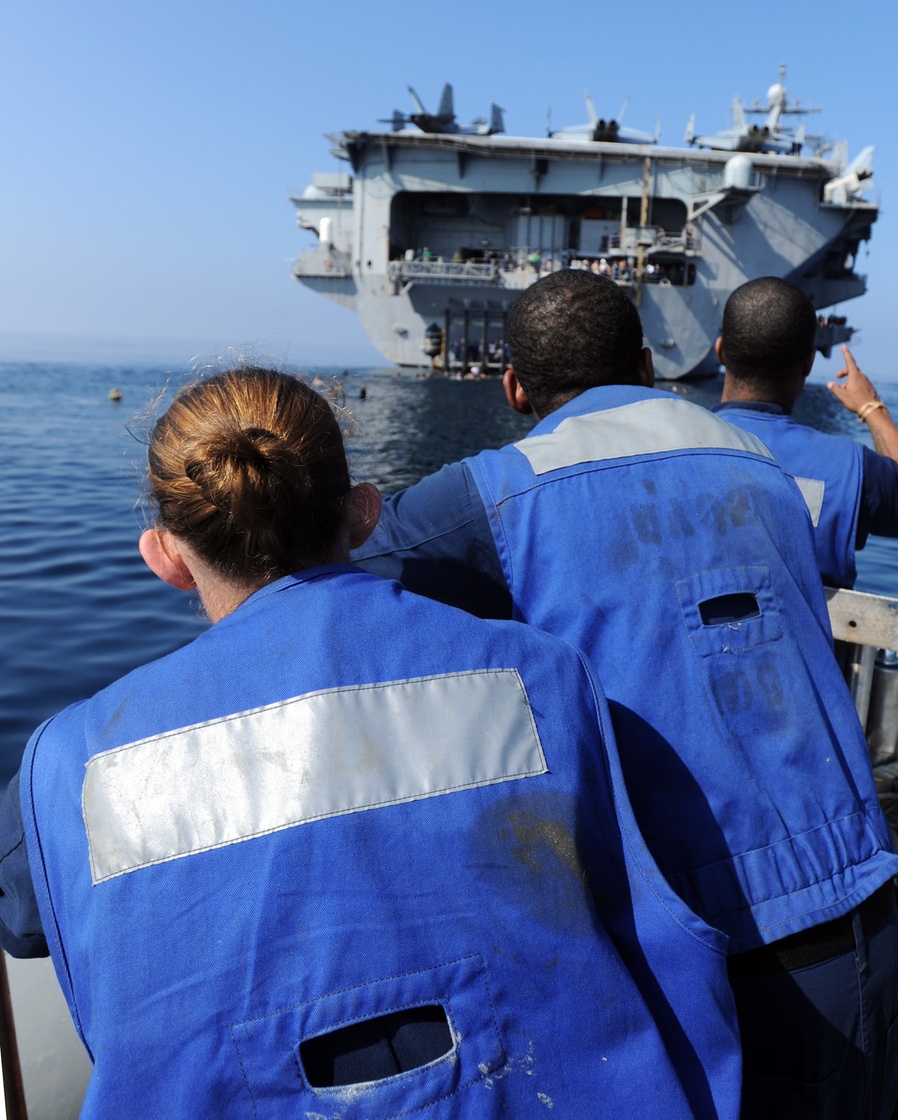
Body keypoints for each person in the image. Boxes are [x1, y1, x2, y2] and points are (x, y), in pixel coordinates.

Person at [0, 367, 741, 1119]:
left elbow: (25, 922)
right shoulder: (539, 676)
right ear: (363, 514)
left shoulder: (72, 759)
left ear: (163, 555)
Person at [356, 271, 898, 1120]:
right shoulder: (759, 460)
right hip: (857, 910)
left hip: (689, 947)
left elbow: (338, 582)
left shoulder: (495, 492)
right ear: (649, 364)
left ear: (512, 386)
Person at [712, 277, 898, 590]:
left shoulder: (667, 444)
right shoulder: (850, 467)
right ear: (809, 362)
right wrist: (872, 409)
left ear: (720, 351)